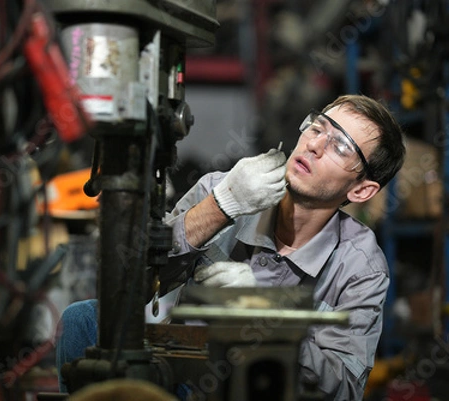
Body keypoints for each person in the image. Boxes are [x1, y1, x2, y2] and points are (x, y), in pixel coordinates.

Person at [55, 94, 406, 400]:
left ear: (361, 191)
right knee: (83, 320)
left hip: (262, 389)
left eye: (340, 146)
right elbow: (132, 282)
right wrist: (221, 206)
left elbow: (344, 388)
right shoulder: (224, 188)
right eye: (318, 127)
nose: (315, 144)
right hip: (183, 377)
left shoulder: (360, 266)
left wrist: (266, 318)